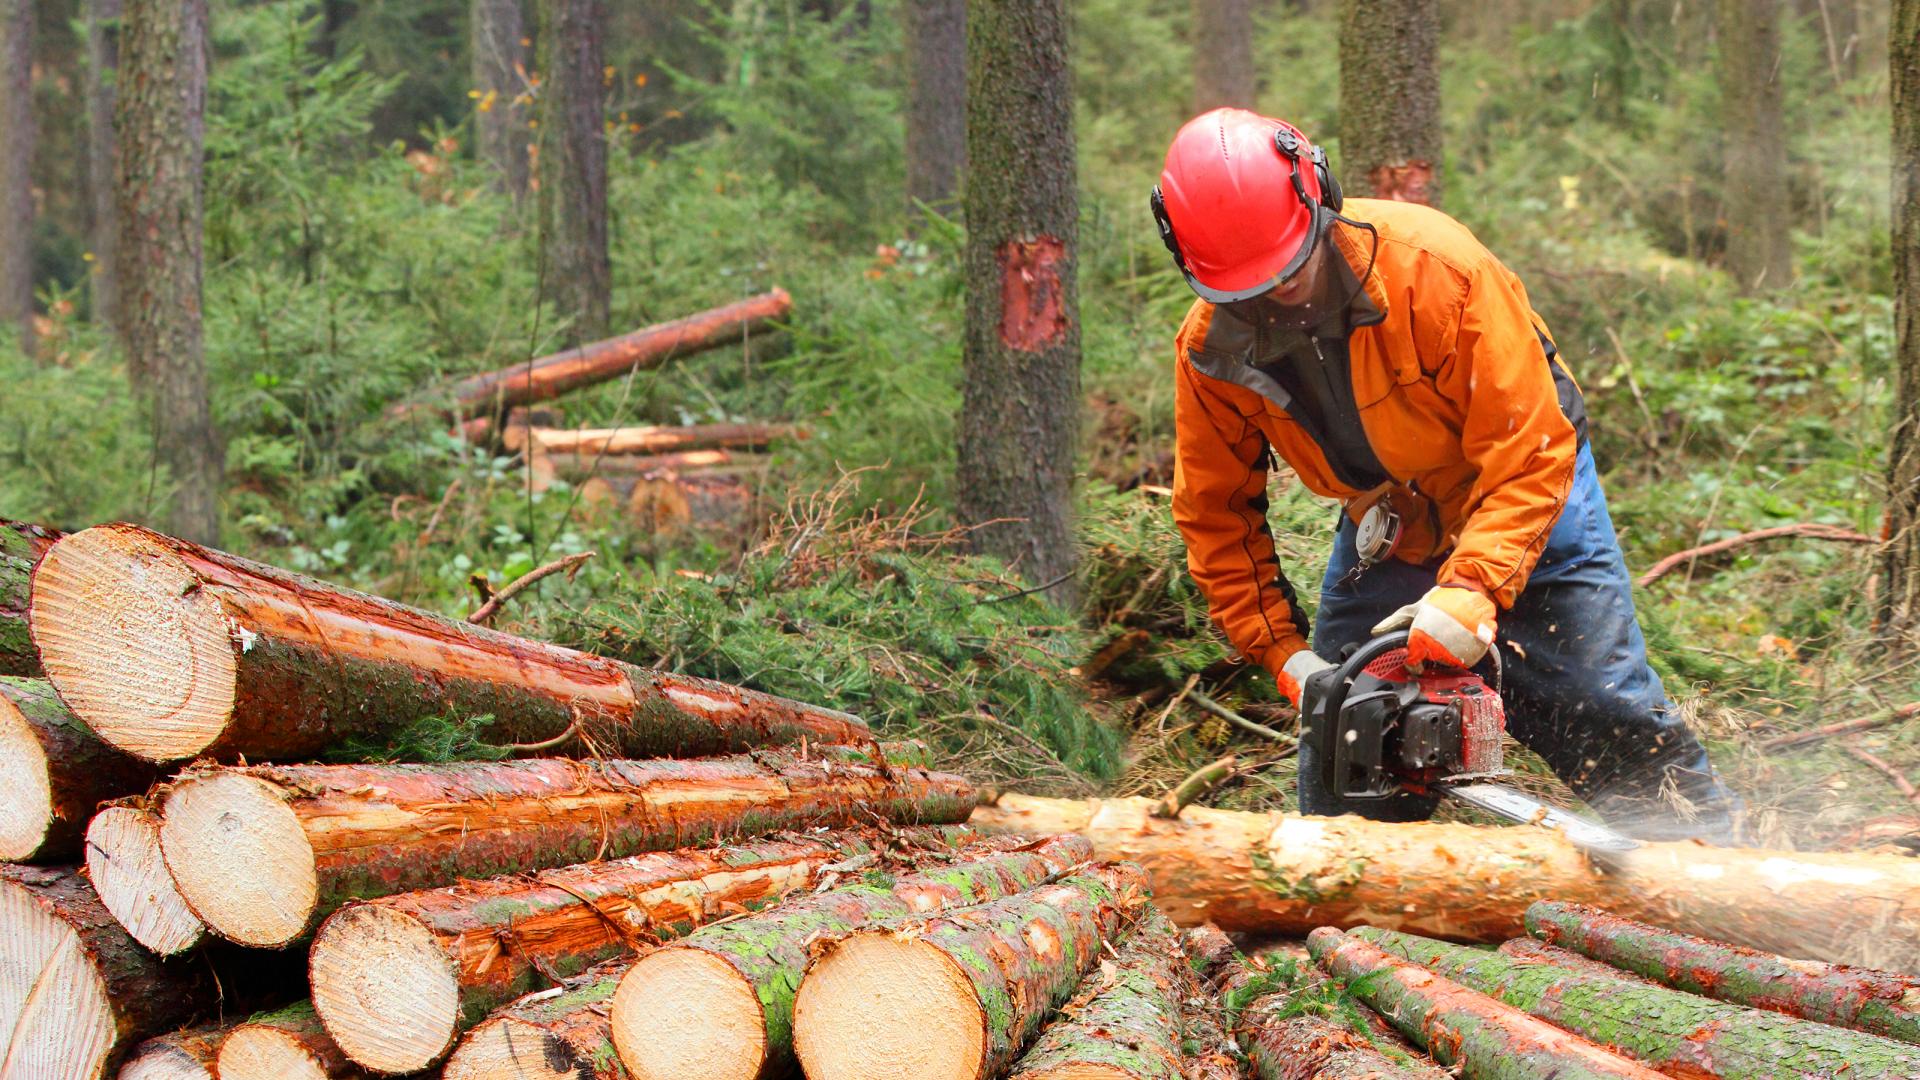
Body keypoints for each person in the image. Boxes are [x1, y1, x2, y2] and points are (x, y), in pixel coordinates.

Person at [1153, 108, 1739, 839]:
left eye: (1291, 267)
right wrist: (1283, 653)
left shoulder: (1436, 271)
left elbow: (1529, 449)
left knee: (1601, 703)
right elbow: (1216, 514)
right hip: (1391, 519)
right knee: (1347, 732)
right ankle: (1357, 922)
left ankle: (1717, 864)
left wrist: (1471, 593)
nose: (1279, 295)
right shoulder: (1211, 350)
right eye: (1250, 288)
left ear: (1319, 195)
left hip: (1523, 486)